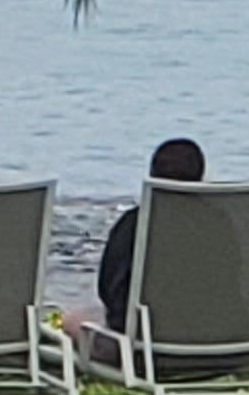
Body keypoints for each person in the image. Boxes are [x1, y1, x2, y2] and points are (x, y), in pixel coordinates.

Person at [66, 135, 206, 369]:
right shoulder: (220, 225)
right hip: (214, 340)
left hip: (143, 351)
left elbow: (108, 289)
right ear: (200, 178)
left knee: (73, 321)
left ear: (152, 177)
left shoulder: (135, 224)